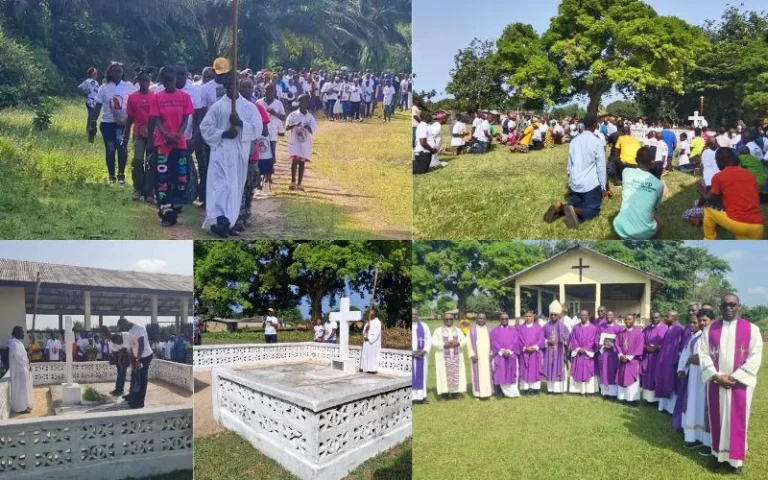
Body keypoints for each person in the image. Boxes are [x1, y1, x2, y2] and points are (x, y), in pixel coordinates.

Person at [699, 294, 763, 473]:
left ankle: (736, 462)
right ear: (720, 307)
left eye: (733, 305)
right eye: (725, 305)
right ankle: (718, 457)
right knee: (717, 417)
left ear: (739, 307)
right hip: (716, 383)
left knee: (738, 420)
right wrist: (716, 376)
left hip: (739, 385)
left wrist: (736, 377)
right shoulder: (710, 329)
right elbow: (703, 354)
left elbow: (755, 356)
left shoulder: (752, 330)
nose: (729, 308)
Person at [200, 59, 262, 238]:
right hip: (220, 153)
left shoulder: (249, 107)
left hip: (238, 155)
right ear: (225, 85)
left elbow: (257, 128)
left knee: (235, 187)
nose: (232, 87)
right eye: (229, 83)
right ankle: (219, 220)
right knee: (220, 186)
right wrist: (223, 134)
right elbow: (205, 127)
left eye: (235, 83)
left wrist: (241, 123)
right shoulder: (217, 107)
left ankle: (230, 220)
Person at [146, 66, 194, 227]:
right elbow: (156, 119)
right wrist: (166, 134)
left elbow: (186, 118)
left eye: (171, 80)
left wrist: (179, 134)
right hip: (162, 143)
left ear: (176, 79)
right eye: (165, 81)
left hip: (179, 143)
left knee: (181, 177)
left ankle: (175, 204)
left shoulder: (185, 97)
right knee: (162, 179)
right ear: (161, 81)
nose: (169, 83)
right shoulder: (157, 97)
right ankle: (165, 211)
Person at [543, 113, 606, 229]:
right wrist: (603, 187)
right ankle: (576, 212)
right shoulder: (597, 142)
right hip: (591, 185)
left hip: (575, 183)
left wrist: (571, 182)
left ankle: (560, 207)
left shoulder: (574, 141)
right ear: (595, 125)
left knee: (574, 204)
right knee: (593, 210)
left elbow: (570, 164)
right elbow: (601, 167)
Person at [703, 147, 765, 240]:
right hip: (758, 226)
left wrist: (703, 193)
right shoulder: (750, 175)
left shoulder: (719, 176)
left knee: (707, 208)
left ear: (720, 161)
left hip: (738, 223)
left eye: (716, 161)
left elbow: (713, 200)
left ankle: (709, 240)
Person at [92, 62, 136, 184]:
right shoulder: (104, 87)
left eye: (120, 71)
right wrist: (93, 121)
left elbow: (135, 101)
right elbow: (98, 106)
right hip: (107, 123)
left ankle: (121, 175)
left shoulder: (128, 86)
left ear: (123, 73)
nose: (117, 73)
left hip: (123, 123)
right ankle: (111, 176)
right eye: (115, 71)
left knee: (122, 148)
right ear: (110, 72)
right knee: (110, 149)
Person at [676, 310, 712, 449]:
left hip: (707, 377)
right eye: (699, 321)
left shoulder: (714, 337)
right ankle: (693, 436)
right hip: (694, 377)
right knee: (693, 405)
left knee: (705, 407)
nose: (701, 324)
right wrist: (683, 368)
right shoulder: (695, 338)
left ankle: (706, 440)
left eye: (703, 321)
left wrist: (700, 359)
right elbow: (686, 354)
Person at [612, 146, 664, 239]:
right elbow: (655, 209)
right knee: (659, 221)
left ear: (636, 159)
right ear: (652, 162)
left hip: (620, 229)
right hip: (644, 234)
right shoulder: (658, 184)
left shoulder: (626, 172)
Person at [124, 68, 156, 202]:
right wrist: (125, 136)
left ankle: (149, 192)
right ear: (138, 81)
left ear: (150, 82)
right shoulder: (132, 97)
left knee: (151, 162)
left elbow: (156, 117)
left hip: (152, 134)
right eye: (142, 80)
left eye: (147, 81)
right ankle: (137, 188)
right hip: (138, 133)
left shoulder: (154, 96)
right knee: (137, 160)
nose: (145, 83)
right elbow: (130, 118)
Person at [118, 318, 154, 409]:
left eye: (122, 328)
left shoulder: (137, 328)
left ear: (125, 323)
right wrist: (132, 361)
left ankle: (140, 402)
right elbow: (131, 348)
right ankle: (133, 396)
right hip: (138, 357)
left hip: (144, 356)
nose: (123, 330)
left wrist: (138, 360)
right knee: (134, 377)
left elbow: (141, 345)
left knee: (142, 379)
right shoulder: (131, 331)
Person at [257, 84, 286, 191]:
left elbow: (283, 117)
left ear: (274, 91)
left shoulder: (278, 104)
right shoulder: (259, 102)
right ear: (263, 91)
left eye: (271, 89)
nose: (269, 91)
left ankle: (268, 178)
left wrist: (274, 113)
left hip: (272, 132)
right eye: (267, 89)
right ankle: (258, 178)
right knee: (260, 154)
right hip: (261, 132)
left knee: (271, 155)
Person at [654, 312, 684, 414]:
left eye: (668, 316)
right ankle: (663, 407)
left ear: (675, 318)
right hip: (664, 360)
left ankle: (671, 409)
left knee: (670, 383)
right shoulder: (670, 328)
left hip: (671, 362)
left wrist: (674, 360)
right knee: (663, 381)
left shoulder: (678, 329)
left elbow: (678, 346)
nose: (666, 318)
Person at [285, 94, 316, 191]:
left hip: (304, 143)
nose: (301, 104)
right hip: (295, 142)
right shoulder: (293, 115)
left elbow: (312, 130)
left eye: (303, 102)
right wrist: (294, 124)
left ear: (307, 104)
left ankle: (300, 183)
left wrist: (307, 127)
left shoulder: (310, 117)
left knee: (302, 162)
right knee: (294, 161)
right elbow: (287, 127)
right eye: (299, 101)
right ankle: (293, 181)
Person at [432, 313, 466, 399]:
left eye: (451, 319)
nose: (449, 321)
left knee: (457, 374)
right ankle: (444, 395)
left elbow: (465, 341)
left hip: (456, 357)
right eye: (447, 319)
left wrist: (458, 343)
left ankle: (456, 393)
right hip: (443, 358)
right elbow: (433, 342)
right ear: (443, 320)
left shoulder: (458, 330)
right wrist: (444, 344)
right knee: (443, 374)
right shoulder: (438, 330)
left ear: (453, 320)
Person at [616, 314, 645, 404]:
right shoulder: (621, 333)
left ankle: (632, 400)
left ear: (634, 321)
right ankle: (623, 398)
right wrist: (620, 355)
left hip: (633, 361)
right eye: (626, 319)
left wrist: (629, 357)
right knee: (622, 378)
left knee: (632, 381)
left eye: (630, 319)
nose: (628, 321)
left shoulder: (639, 333)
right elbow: (617, 344)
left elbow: (640, 346)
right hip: (622, 360)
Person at [541, 301, 569, 394]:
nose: (553, 316)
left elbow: (568, 337)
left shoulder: (563, 326)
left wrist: (565, 338)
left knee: (559, 368)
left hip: (559, 351)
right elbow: (541, 338)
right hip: (549, 351)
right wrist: (547, 341)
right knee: (549, 368)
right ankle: (550, 389)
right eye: (551, 314)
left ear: (558, 316)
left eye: (555, 315)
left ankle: (558, 389)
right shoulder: (545, 326)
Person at [490, 313, 520, 398]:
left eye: (506, 319)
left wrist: (509, 350)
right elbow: (494, 342)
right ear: (500, 320)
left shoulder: (514, 330)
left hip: (511, 354)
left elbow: (515, 341)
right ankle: (499, 392)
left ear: (508, 320)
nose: (504, 320)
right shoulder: (494, 331)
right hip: (499, 355)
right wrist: (502, 351)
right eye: (502, 319)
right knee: (499, 371)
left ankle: (511, 392)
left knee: (511, 372)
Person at [569, 309, 599, 395]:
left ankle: (589, 391)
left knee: (588, 370)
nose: (584, 317)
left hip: (588, 354)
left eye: (585, 315)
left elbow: (594, 340)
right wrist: (578, 348)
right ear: (579, 316)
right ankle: (577, 390)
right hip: (578, 354)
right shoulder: (575, 327)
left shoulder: (593, 328)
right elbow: (573, 339)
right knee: (577, 370)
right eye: (582, 315)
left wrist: (585, 349)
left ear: (588, 316)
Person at [641, 312, 668, 402]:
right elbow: (641, 341)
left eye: (657, 317)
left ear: (660, 318)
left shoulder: (665, 328)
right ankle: (648, 399)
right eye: (653, 318)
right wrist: (645, 347)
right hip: (648, 357)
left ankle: (657, 400)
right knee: (648, 377)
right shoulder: (646, 329)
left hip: (659, 357)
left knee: (657, 376)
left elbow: (668, 343)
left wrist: (658, 347)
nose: (655, 319)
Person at [466, 313, 493, 399]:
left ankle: (488, 393)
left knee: (488, 374)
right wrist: (472, 354)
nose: (482, 320)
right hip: (476, 357)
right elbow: (468, 343)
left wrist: (492, 353)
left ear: (486, 319)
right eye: (480, 318)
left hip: (487, 356)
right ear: (476, 319)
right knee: (477, 373)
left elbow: (494, 343)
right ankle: (477, 393)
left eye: (483, 318)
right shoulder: (472, 330)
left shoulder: (489, 330)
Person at [518, 310, 544, 394]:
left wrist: (535, 347)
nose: (528, 318)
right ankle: (525, 389)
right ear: (524, 317)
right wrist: (525, 347)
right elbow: (518, 339)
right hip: (524, 353)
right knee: (525, 370)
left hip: (535, 353)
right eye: (526, 316)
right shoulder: (520, 328)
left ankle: (535, 389)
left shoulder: (538, 327)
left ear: (533, 317)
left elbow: (541, 338)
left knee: (534, 370)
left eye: (530, 316)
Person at [8, 326, 33, 414]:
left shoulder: (18, 342)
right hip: (18, 372)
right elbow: (18, 358)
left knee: (24, 390)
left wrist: (26, 355)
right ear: (17, 332)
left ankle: (24, 406)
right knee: (20, 390)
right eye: (22, 332)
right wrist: (26, 355)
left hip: (22, 370)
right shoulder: (14, 344)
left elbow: (22, 356)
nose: (23, 334)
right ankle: (20, 408)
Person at [597, 310, 621, 397]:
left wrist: (613, 346)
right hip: (604, 354)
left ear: (614, 316)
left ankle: (614, 393)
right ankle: (605, 392)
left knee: (613, 371)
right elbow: (597, 339)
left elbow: (620, 341)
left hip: (613, 355)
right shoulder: (600, 327)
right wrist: (603, 346)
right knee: (604, 371)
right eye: (607, 315)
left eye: (610, 315)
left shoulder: (618, 328)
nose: (608, 317)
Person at [101, 326, 130, 396]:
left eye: (105, 333)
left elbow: (125, 348)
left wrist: (121, 355)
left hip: (125, 355)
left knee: (122, 373)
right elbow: (115, 351)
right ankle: (117, 389)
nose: (103, 336)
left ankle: (120, 390)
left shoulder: (120, 336)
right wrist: (115, 358)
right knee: (119, 372)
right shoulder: (108, 340)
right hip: (118, 356)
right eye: (103, 334)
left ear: (108, 332)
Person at [412, 309, 432, 402]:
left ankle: (422, 396)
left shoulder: (424, 326)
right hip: (411, 356)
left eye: (416, 314)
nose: (414, 316)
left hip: (421, 355)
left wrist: (423, 351)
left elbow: (429, 340)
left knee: (422, 375)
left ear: (418, 315)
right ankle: (412, 397)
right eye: (412, 314)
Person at [79, 67, 101, 141]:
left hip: (88, 101)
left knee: (90, 117)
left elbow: (80, 88)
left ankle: (88, 131)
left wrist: (87, 93)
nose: (96, 75)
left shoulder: (86, 81)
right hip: (93, 102)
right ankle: (91, 133)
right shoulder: (93, 82)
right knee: (92, 118)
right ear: (92, 74)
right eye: (95, 73)